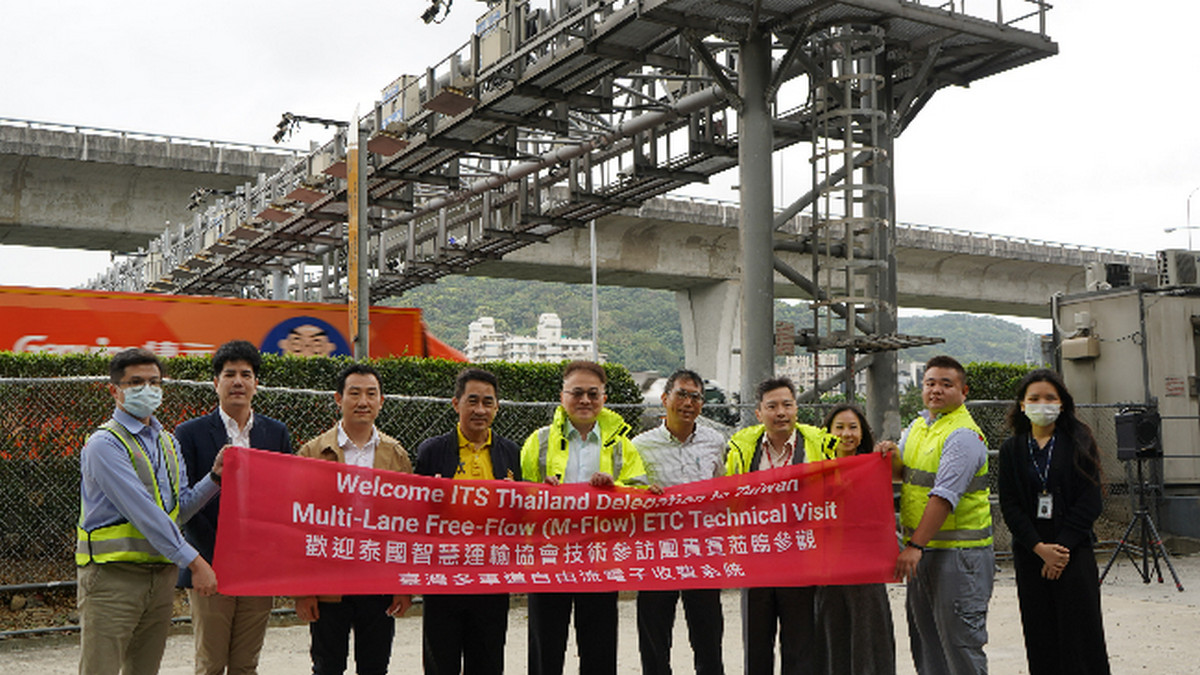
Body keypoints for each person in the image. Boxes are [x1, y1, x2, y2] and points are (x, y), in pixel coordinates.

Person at [76, 347, 224, 675]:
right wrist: (196, 561)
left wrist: (214, 478)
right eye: (136, 382)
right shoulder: (105, 444)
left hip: (160, 577)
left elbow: (179, 510)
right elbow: (144, 513)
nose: (148, 389)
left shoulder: (168, 443)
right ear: (114, 390)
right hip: (113, 579)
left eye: (154, 382)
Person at [520, 360, 651, 675]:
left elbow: (639, 495)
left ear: (604, 398)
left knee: (599, 648)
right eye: (576, 392)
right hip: (549, 558)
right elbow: (520, 500)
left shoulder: (622, 446)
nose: (585, 400)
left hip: (599, 558)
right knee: (545, 648)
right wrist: (541, 489)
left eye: (593, 393)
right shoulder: (537, 442)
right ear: (562, 396)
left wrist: (614, 488)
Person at [175, 340, 293, 675]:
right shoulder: (189, 434)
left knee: (245, 664)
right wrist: (203, 562)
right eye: (229, 374)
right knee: (210, 663)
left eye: (246, 374)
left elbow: (284, 499)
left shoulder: (275, 433)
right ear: (216, 382)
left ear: (256, 383)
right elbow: (184, 507)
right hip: (211, 567)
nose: (238, 381)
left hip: (259, 569)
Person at [876, 355, 993, 675]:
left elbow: (944, 497)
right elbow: (903, 476)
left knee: (960, 646)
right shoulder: (919, 427)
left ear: (963, 390)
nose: (936, 390)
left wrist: (914, 546)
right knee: (926, 643)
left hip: (958, 556)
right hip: (926, 552)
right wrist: (890, 456)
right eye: (930, 383)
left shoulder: (963, 435)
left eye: (946, 384)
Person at [295, 363, 412, 675]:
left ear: (381, 401)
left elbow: (407, 523)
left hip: (378, 578)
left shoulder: (396, 455)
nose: (363, 401)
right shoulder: (313, 452)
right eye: (355, 393)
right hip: (329, 580)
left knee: (375, 665)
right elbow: (299, 525)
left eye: (371, 394)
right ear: (338, 398)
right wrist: (303, 588)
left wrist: (403, 584)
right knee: (327, 665)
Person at [997, 369, 1111, 675]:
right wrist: (1038, 548)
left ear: (1062, 404)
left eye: (1050, 397)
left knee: (1081, 637)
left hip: (1074, 553)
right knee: (1040, 635)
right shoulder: (1012, 450)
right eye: (1034, 398)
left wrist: (1059, 550)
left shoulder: (1078, 441)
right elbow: (1010, 505)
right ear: (1022, 405)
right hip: (1030, 554)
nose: (1042, 404)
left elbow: (1090, 500)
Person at [723, 376, 838, 675]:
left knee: (801, 647)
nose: (781, 413)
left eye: (787, 404)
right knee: (757, 646)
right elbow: (726, 497)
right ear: (759, 413)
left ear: (796, 409)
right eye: (772, 406)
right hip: (756, 560)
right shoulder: (742, 449)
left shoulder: (820, 445)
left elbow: (852, 465)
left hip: (801, 560)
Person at [414, 368, 522, 675]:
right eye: (472, 401)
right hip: (443, 581)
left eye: (488, 402)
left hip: (491, 580)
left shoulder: (510, 452)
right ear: (455, 403)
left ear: (497, 407)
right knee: (440, 664)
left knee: (488, 663)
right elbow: (414, 516)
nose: (480, 410)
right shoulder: (432, 452)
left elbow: (521, 511)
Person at [631, 369, 726, 675]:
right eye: (681, 394)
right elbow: (630, 494)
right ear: (664, 400)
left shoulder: (715, 441)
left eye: (695, 396)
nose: (688, 402)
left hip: (703, 553)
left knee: (708, 635)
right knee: (655, 638)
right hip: (658, 554)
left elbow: (722, 487)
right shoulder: (640, 445)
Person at [813, 403, 896, 675]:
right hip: (829, 570)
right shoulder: (813, 471)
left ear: (862, 433)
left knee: (868, 640)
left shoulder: (875, 467)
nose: (846, 433)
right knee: (833, 639)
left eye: (853, 427)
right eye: (839, 427)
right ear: (827, 432)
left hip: (865, 571)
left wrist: (893, 456)